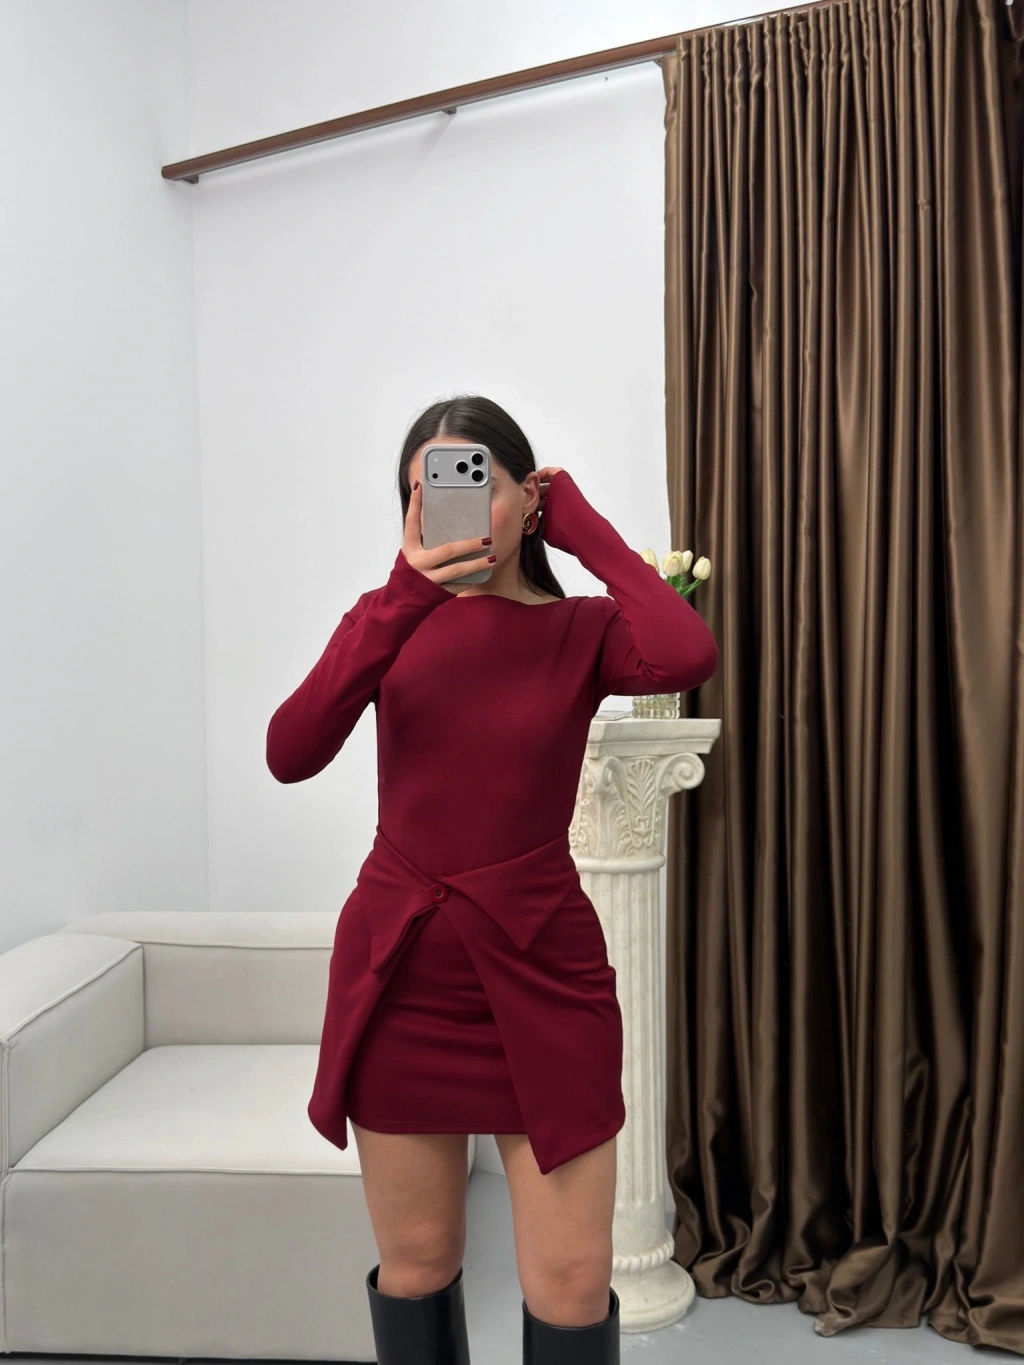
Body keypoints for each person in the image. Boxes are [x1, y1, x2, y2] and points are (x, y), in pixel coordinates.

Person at [266, 395, 719, 1365]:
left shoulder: (581, 631)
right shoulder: (385, 622)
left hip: (544, 976)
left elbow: (688, 651)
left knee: (570, 1286)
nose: (449, 504)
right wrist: (402, 595)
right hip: (402, 983)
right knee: (418, 1266)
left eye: (476, 481)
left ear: (528, 497)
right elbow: (289, 752)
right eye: (423, 488)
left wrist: (586, 531)